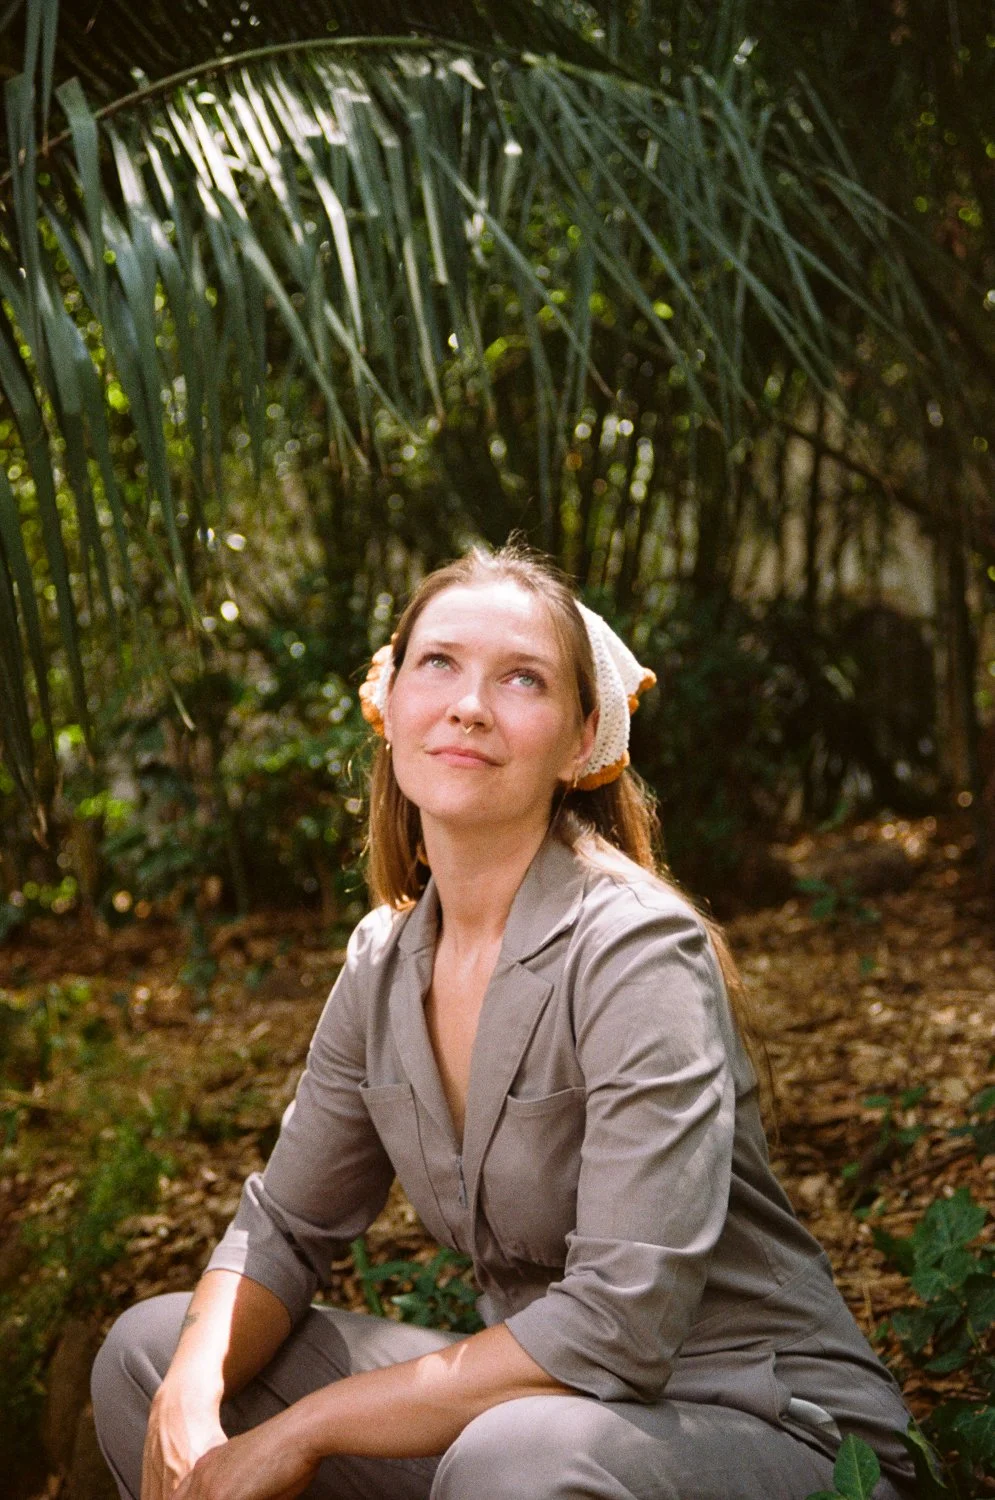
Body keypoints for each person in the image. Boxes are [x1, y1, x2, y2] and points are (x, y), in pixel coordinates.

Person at [92, 543, 916, 1500]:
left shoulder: (634, 948)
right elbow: (283, 1229)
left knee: (516, 1458)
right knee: (150, 1354)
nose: (470, 705)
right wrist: (192, 1392)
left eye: (522, 678)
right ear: (389, 702)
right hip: (542, 1416)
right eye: (438, 663)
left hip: (760, 1424)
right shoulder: (383, 960)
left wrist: (306, 1429)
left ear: (579, 741)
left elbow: (618, 1325)